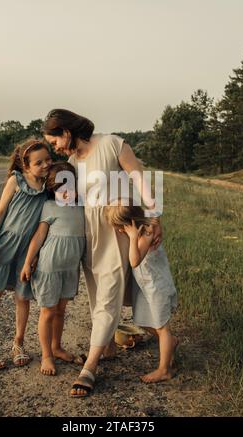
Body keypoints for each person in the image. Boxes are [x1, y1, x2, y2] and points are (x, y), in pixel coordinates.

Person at [42, 109, 162, 397]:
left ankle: (91, 367)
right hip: (90, 235)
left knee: (108, 293)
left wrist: (155, 216)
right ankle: (107, 347)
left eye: (54, 141)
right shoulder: (71, 162)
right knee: (98, 295)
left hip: (116, 231)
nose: (54, 147)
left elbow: (140, 179)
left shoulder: (112, 144)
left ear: (66, 133)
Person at [0, 139, 52, 370]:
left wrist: (36, 255)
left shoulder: (48, 188)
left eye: (48, 159)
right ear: (25, 166)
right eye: (39, 162)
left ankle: (18, 343)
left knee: (23, 296)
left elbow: (44, 224)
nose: (46, 165)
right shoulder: (16, 181)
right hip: (5, 244)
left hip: (26, 251)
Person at [20, 162, 86, 376]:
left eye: (70, 186)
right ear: (52, 189)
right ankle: (46, 354)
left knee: (61, 311)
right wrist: (28, 261)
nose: (66, 192)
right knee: (48, 311)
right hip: (49, 267)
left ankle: (57, 347)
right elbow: (39, 236)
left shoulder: (82, 206)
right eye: (60, 188)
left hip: (70, 269)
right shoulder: (50, 207)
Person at [106, 200, 178, 383]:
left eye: (121, 228)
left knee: (162, 327)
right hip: (147, 286)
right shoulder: (146, 223)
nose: (120, 231)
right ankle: (171, 342)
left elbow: (134, 261)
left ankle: (164, 369)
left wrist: (131, 237)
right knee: (143, 321)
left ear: (130, 224)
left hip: (157, 287)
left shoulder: (146, 233)